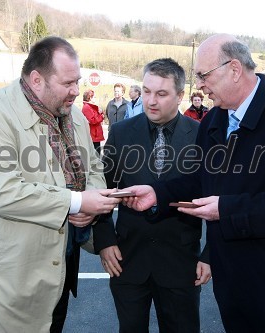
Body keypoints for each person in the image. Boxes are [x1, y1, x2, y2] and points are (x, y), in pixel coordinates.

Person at [121, 34, 265, 332]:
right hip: (237, 292)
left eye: (203, 75)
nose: (199, 85)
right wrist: (158, 194)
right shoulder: (214, 121)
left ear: (233, 70)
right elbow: (204, 180)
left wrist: (227, 210)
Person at [0, 36, 121, 333]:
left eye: (77, 81)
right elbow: (2, 192)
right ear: (36, 79)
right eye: (68, 83)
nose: (76, 91)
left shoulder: (72, 114)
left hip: (53, 266)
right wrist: (75, 203)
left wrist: (90, 205)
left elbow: (93, 167)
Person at [93, 58, 211, 333]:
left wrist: (210, 254)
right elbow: (103, 188)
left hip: (181, 263)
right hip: (127, 259)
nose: (151, 101)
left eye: (161, 93)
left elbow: (216, 197)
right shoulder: (121, 133)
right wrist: (105, 240)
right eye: (146, 91)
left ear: (180, 95)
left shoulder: (202, 135)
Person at [82, 89, 105, 154]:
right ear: (90, 97)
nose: (95, 98)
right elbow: (93, 120)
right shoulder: (87, 107)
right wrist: (101, 116)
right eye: (94, 97)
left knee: (97, 153)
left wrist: (100, 113)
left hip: (95, 134)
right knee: (95, 154)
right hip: (93, 134)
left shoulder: (91, 106)